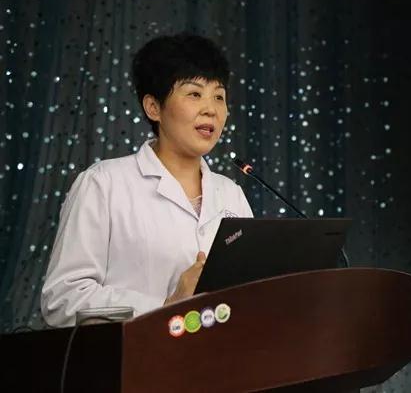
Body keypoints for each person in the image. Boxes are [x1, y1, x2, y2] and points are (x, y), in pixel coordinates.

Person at [41, 34, 254, 327]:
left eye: (219, 96)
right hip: (133, 354)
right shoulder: (103, 184)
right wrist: (166, 307)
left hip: (222, 353)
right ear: (153, 107)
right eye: (194, 94)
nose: (211, 109)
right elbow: (63, 297)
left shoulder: (231, 194)